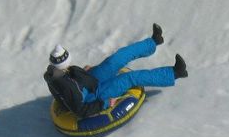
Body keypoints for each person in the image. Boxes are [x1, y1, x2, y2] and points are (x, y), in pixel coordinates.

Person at [45, 24, 187, 118]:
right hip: (94, 97)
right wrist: (105, 104)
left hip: (89, 81)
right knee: (130, 78)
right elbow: (80, 110)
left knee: (116, 59)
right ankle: (174, 73)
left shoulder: (59, 71)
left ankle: (154, 41)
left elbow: (72, 78)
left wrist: (83, 72)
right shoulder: (66, 87)